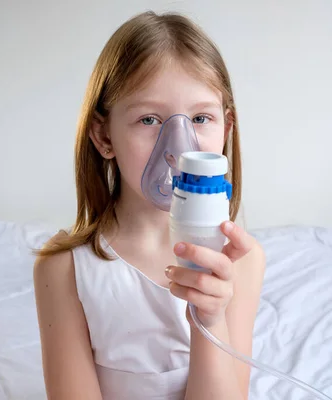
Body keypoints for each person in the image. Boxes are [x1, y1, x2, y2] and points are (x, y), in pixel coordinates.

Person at [33, 10, 265, 400]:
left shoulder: (240, 260)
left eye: (201, 117)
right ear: (104, 136)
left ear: (225, 131)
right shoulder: (63, 270)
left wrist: (209, 317)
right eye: (149, 120)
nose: (179, 147)